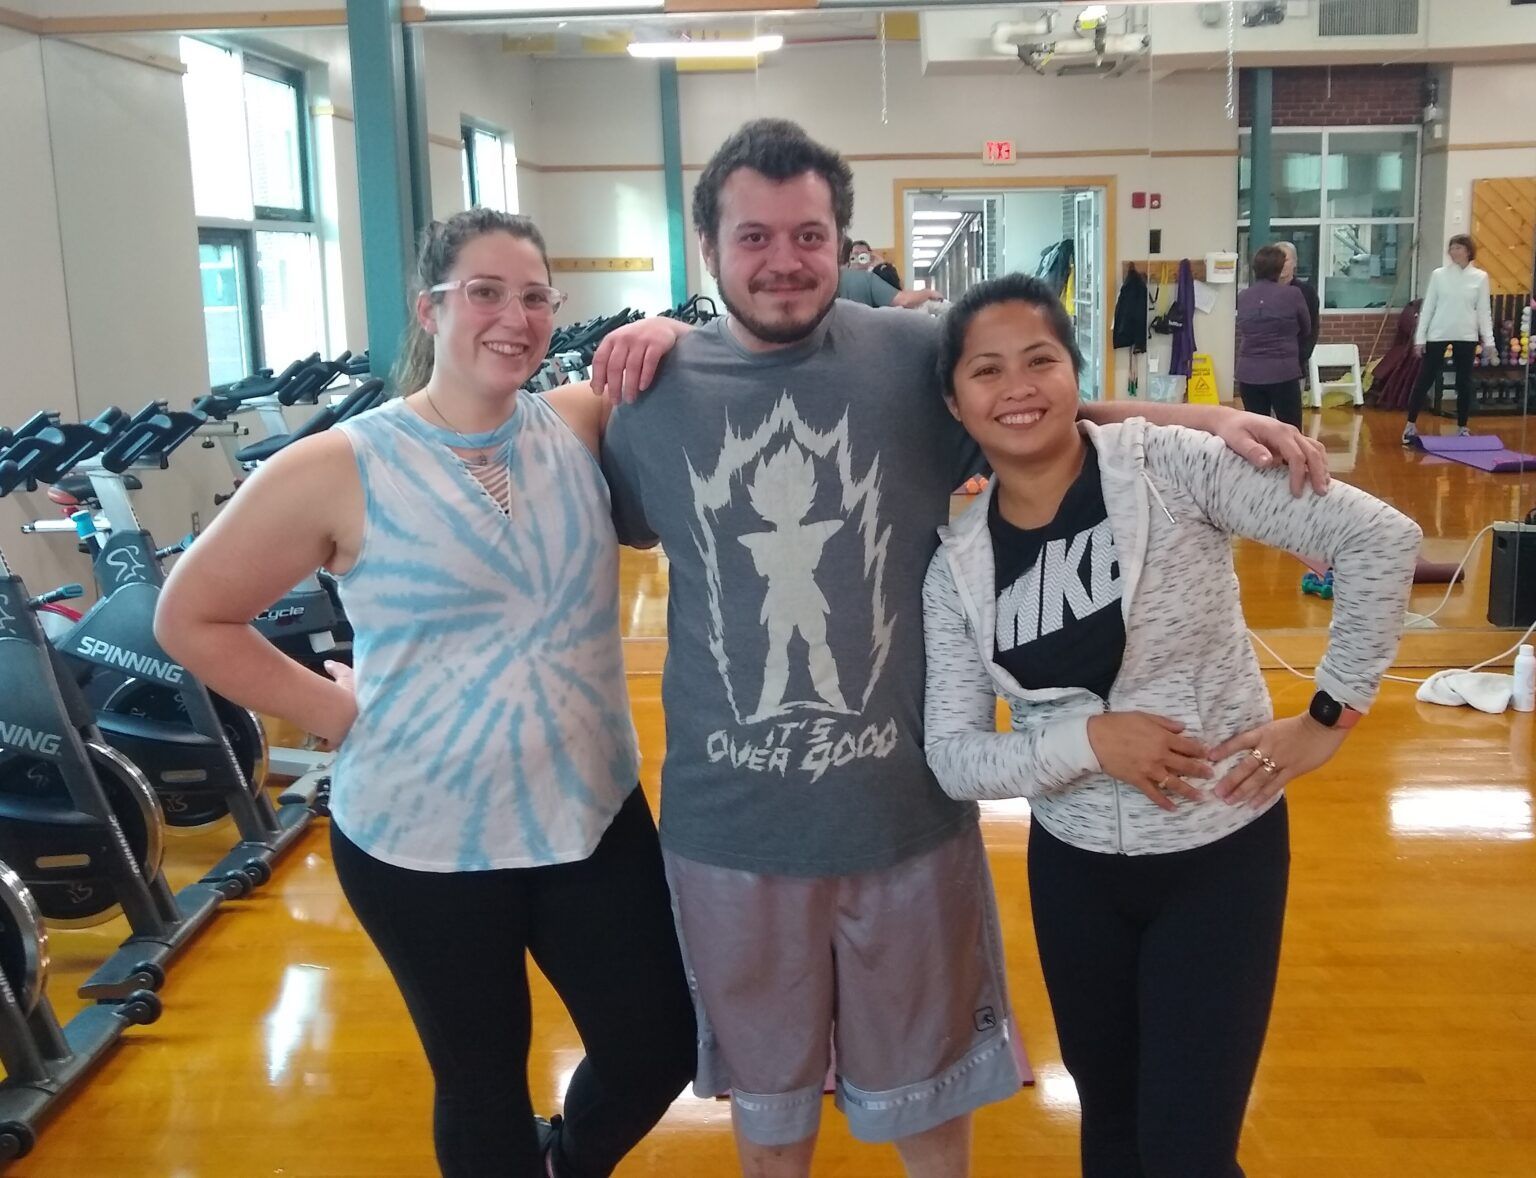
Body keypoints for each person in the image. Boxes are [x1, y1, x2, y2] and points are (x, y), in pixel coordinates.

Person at [588, 118, 1331, 1178]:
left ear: (843, 242)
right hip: (731, 827)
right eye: (753, 237)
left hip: (906, 815)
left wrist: (1197, 419)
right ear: (708, 246)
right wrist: (657, 331)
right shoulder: (647, 395)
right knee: (770, 1108)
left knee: (929, 1098)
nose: (783, 260)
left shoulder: (906, 356)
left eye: (808, 235)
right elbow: (565, 465)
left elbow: (1031, 401)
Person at [154, 209, 696, 1178]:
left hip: (588, 815)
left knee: (658, 1045)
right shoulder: (339, 464)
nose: (515, 318)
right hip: (424, 841)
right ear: (430, 309)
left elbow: (700, 365)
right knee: (482, 1086)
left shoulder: (575, 421)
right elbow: (191, 616)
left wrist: (667, 331)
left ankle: (567, 1163)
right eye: (484, 292)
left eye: (534, 296)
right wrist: (336, 713)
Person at [922, 273, 1420, 1178]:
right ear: (956, 403)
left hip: (1219, 859)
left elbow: (1379, 540)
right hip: (1073, 872)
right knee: (1111, 1134)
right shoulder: (956, 565)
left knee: (1188, 1150)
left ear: (1076, 374)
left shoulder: (1170, 467)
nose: (1018, 387)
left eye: (1040, 360)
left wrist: (1327, 716)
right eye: (987, 371)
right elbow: (955, 757)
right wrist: (1089, 744)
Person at [1403, 233, 1496, 443]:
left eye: (1458, 248)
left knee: (1464, 382)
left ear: (1468, 251)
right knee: (1425, 378)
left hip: (1466, 335)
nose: (1454, 252)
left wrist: (1489, 341)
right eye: (1452, 248)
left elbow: (1484, 311)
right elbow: (1428, 308)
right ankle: (1410, 425)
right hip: (1438, 333)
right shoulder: (1439, 275)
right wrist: (1420, 339)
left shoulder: (1480, 277)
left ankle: (1462, 426)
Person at [1235, 244, 1311, 429]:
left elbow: (1243, 327)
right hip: (1283, 372)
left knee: (1258, 432)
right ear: (1279, 268)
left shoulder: (1243, 296)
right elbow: (1306, 328)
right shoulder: (1293, 294)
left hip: (1248, 374)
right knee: (1290, 431)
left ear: (1255, 269)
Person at [838, 236, 942, 309]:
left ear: (870, 257)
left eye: (863, 255)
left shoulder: (877, 276)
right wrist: (928, 293)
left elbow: (900, 293)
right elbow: (904, 300)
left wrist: (884, 266)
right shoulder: (869, 280)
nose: (859, 258)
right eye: (855, 254)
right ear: (850, 256)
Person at [1275, 241, 1319, 376]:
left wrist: (1301, 355)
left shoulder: (1306, 292)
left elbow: (1312, 328)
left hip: (1295, 365)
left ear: (1295, 262)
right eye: (1277, 259)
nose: (1282, 264)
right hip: (1266, 365)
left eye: (1286, 260)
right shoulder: (1262, 291)